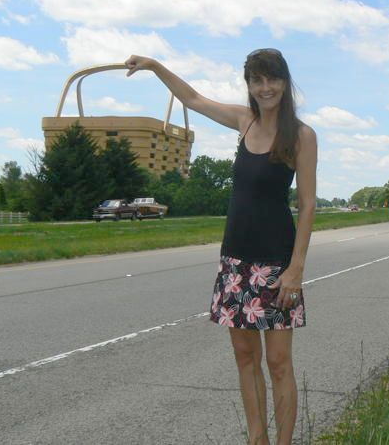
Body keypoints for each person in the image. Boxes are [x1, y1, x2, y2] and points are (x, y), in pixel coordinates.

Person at [124, 49, 317, 445]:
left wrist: (295, 269)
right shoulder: (244, 122)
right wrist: (156, 67)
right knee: (246, 360)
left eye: (272, 79)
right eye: (257, 80)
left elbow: (308, 204)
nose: (265, 88)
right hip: (235, 263)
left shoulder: (301, 135)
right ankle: (256, 440)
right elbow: (193, 99)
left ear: (285, 82)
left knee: (279, 363)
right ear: (248, 85)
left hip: (277, 265)